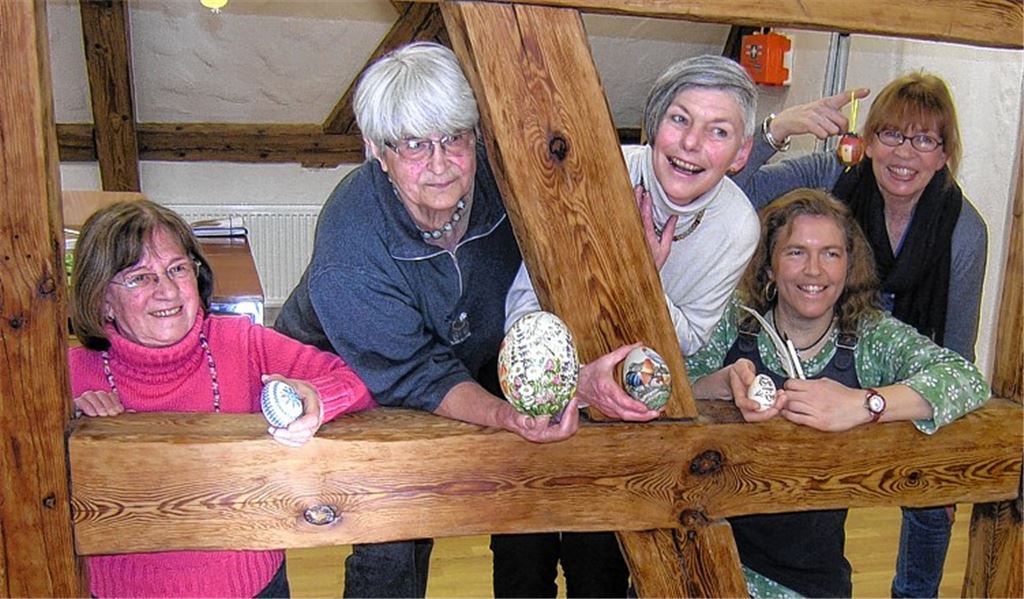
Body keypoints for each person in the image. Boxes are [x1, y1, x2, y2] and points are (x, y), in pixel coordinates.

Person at [273, 41, 633, 598]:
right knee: (394, 527)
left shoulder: (503, 177)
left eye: (454, 139)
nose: (440, 164)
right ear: (377, 150)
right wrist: (500, 413)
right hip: (350, 374)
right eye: (414, 145)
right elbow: (415, 375)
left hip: (462, 352)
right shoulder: (351, 246)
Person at [501, 54, 761, 597]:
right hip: (547, 385)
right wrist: (563, 383)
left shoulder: (737, 225)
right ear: (653, 125)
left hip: (630, 409)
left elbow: (687, 337)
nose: (691, 144)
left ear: (740, 154)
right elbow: (524, 302)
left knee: (599, 566)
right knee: (523, 560)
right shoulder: (593, 168)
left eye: (718, 132)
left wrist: (642, 275)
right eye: (680, 119)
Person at [732, 72, 987, 597]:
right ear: (867, 141)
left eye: (924, 140)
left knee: (931, 501)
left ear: (944, 155)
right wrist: (776, 129)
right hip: (824, 351)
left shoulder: (963, 230)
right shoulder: (832, 174)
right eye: (892, 134)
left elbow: (957, 349)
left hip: (896, 365)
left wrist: (895, 410)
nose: (905, 152)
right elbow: (728, 193)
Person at [686, 188, 989, 598]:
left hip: (805, 580)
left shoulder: (867, 337)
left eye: (830, 254)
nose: (814, 270)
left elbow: (964, 378)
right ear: (769, 267)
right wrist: (717, 385)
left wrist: (865, 404)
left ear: (849, 267)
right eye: (795, 252)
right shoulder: (731, 320)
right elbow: (671, 394)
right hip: (702, 555)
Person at [68, 200, 375, 598]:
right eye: (140, 278)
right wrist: (66, 427)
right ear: (102, 299)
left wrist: (317, 396)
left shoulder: (243, 343)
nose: (166, 291)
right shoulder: (67, 374)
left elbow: (361, 380)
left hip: (251, 588)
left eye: (177, 269)